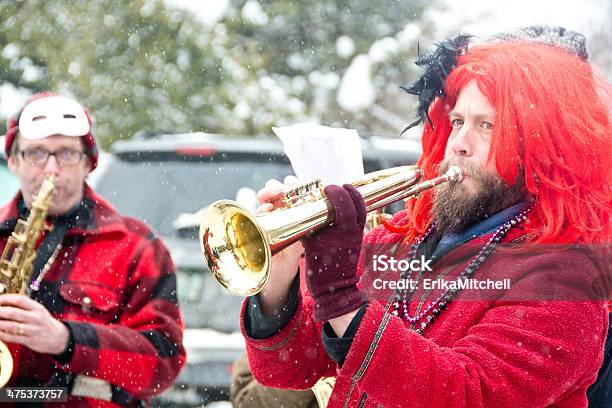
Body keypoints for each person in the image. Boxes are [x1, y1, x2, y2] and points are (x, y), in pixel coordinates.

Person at [240, 28, 611, 407]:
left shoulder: (566, 284)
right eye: (457, 122)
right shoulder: (401, 243)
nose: (460, 144)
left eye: (487, 126)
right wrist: (278, 282)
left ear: (538, 146)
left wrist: (342, 299)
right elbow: (289, 369)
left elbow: (466, 395)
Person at [0, 93, 186, 406]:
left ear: (89, 162)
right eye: (35, 153)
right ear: (14, 161)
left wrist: (68, 341)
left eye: (67, 154)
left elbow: (164, 363)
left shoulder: (136, 246)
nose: (51, 169)